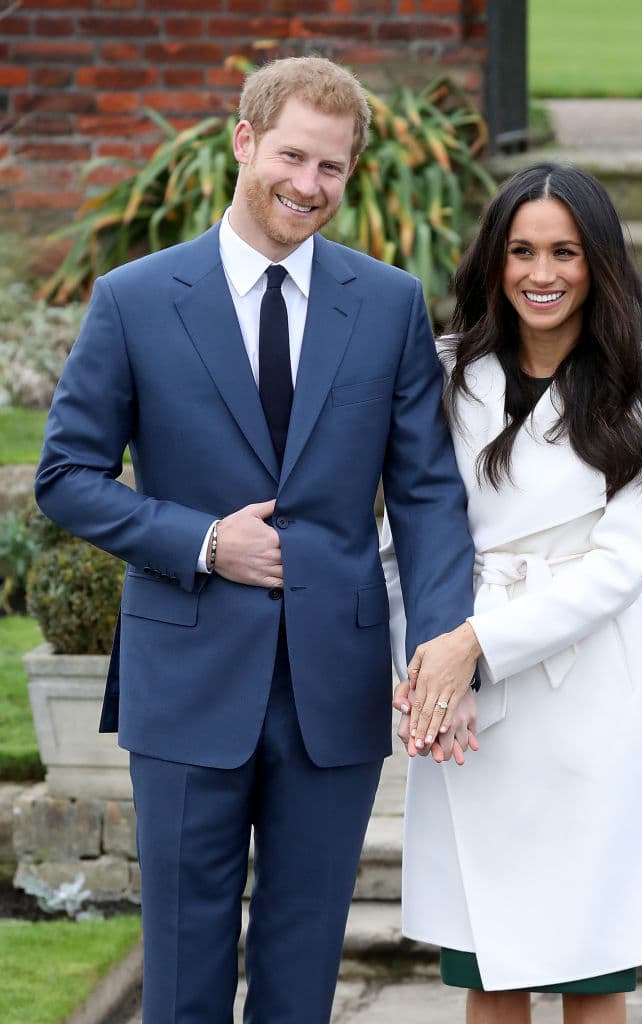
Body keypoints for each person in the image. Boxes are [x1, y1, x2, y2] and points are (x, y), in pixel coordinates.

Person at [34, 57, 479, 1024]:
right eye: (291, 157)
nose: (308, 185)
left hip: (334, 685)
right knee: (182, 972)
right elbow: (64, 476)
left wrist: (442, 650)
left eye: (331, 167)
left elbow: (428, 496)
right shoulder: (135, 298)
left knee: (301, 969)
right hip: (185, 677)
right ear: (244, 142)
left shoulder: (389, 303)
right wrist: (201, 542)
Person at [382, 162, 642, 1024]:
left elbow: (620, 565)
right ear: (495, 260)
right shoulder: (444, 371)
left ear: (600, 262)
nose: (541, 273)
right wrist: (428, 670)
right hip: (465, 696)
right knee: (489, 968)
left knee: (593, 969)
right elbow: (406, 536)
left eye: (565, 251)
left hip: (586, 691)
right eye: (522, 251)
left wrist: (476, 648)